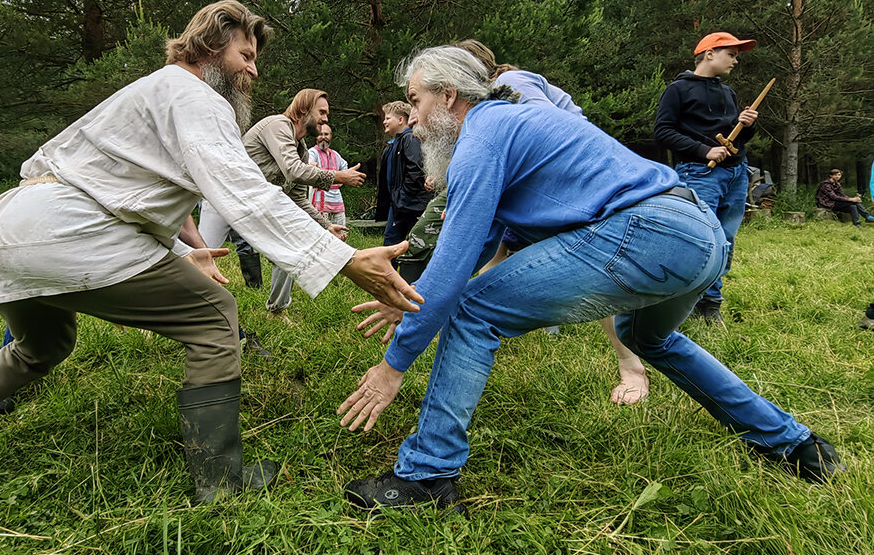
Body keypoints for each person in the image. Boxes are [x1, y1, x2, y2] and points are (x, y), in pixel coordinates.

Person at [0, 0, 422, 504]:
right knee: (216, 319)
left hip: (6, 228)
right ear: (211, 45)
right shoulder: (194, 96)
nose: (254, 74)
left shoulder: (151, 94)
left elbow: (145, 192)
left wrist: (190, 250)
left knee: (41, 346)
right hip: (70, 234)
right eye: (246, 56)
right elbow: (242, 192)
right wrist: (342, 258)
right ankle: (219, 483)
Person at [338, 46, 842, 513]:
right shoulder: (513, 124)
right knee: (647, 337)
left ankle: (427, 474)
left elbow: (452, 276)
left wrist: (394, 363)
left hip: (650, 231)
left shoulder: (482, 135)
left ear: (449, 96)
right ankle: (797, 445)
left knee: (474, 310)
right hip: (699, 234)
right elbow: (469, 251)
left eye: (415, 102)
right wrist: (409, 298)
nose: (413, 123)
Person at [388, 38, 649, 405]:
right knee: (482, 274)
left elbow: (551, 130)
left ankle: (629, 363)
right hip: (523, 188)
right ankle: (481, 325)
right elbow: (467, 250)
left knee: (598, 279)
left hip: (578, 197)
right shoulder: (479, 123)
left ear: (457, 86)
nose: (413, 115)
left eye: (417, 100)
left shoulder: (509, 97)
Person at [200, 89, 365, 319]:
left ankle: (276, 310)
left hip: (254, 207)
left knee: (290, 249)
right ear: (304, 109)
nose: (326, 118)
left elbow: (297, 198)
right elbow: (293, 170)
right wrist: (338, 176)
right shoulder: (278, 125)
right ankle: (160, 314)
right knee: (201, 257)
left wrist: (326, 225)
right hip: (222, 197)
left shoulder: (302, 150)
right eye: (322, 112)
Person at [654, 31, 762, 324]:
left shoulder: (728, 93)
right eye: (732, 54)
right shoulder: (678, 90)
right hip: (699, 173)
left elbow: (734, 138)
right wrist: (704, 151)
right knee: (699, 238)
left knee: (726, 239)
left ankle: (711, 302)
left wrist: (747, 126)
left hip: (737, 173)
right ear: (709, 53)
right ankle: (683, 302)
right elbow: (662, 131)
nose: (736, 60)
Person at [379, 102, 433, 250]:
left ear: (401, 120)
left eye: (388, 118)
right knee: (392, 245)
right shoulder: (393, 144)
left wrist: (402, 199)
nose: (384, 121)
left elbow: (415, 170)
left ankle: (406, 273)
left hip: (409, 206)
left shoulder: (410, 138)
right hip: (399, 205)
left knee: (406, 246)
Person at [307, 122, 350, 227]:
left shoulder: (335, 155)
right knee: (322, 231)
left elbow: (345, 166)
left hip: (337, 200)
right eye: (320, 134)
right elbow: (309, 163)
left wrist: (341, 181)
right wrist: (312, 165)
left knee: (341, 229)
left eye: (326, 134)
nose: (323, 137)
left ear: (330, 136)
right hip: (320, 199)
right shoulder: (313, 152)